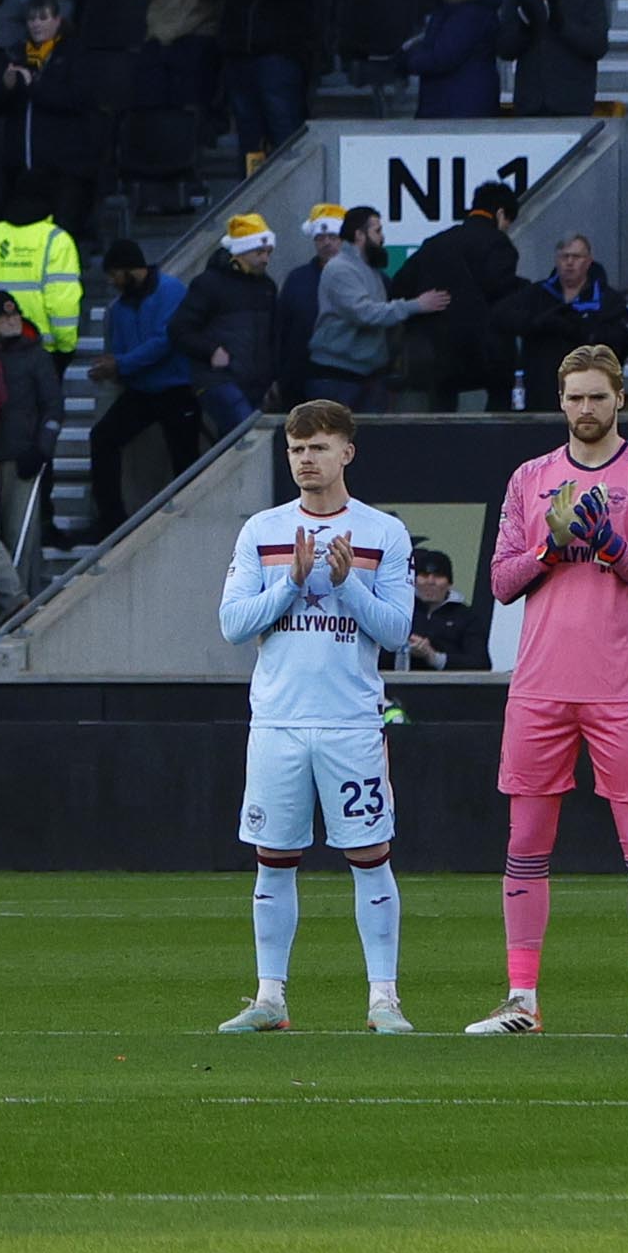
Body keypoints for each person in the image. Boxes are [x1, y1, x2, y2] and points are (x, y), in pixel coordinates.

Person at [469, 344, 628, 1037]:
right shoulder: (529, 477)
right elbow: (503, 582)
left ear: (619, 397)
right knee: (526, 840)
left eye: (597, 396)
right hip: (538, 685)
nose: (585, 409)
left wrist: (609, 546)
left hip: (620, 686)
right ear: (559, 401)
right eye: (573, 397)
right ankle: (521, 999)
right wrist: (549, 550)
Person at [214, 399, 415, 1038]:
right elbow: (233, 625)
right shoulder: (261, 531)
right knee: (274, 857)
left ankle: (384, 998)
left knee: (369, 853)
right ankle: (269, 997)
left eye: (319, 447)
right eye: (298, 449)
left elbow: (397, 630)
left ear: (346, 452)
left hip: (351, 720)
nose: (306, 459)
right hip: (276, 721)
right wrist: (290, 584)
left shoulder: (382, 533)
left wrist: (348, 582)